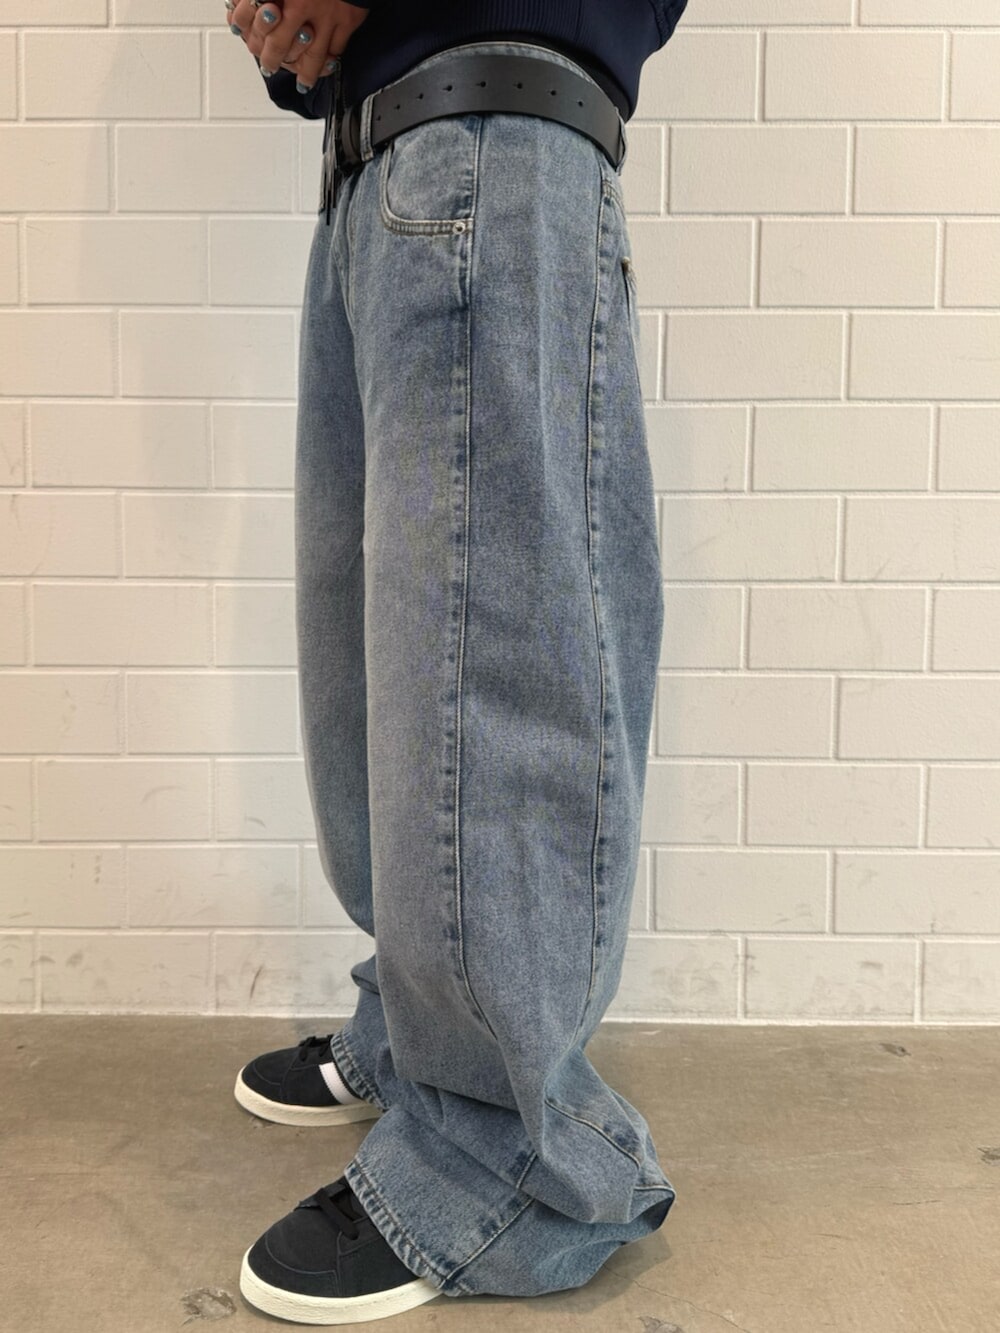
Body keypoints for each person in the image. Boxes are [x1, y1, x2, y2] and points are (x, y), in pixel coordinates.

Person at [224, 0, 688, 1323]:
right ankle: (419, 1037)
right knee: (391, 665)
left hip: (491, 122)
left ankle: (503, 1166)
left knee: (494, 666)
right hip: (386, 155)